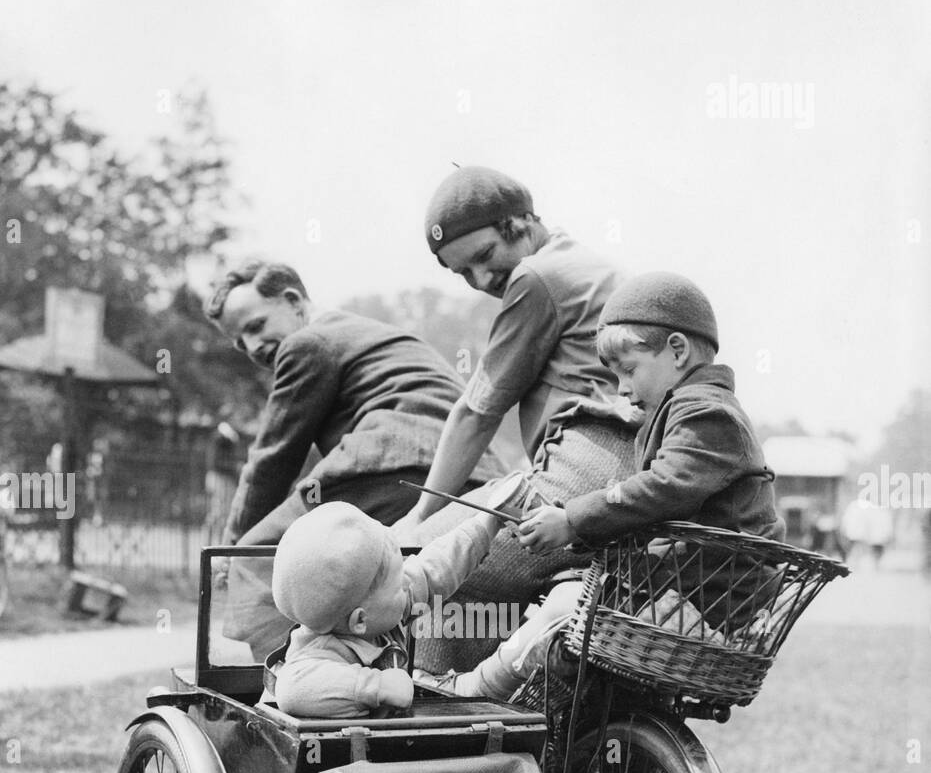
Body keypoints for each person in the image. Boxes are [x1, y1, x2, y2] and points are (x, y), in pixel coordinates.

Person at [203, 259, 504, 654]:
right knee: (367, 574)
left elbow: (272, 460)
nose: (253, 347)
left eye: (256, 326)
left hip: (390, 461)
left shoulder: (307, 342)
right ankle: (356, 669)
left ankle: (284, 688)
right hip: (468, 477)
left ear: (294, 301)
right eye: (240, 342)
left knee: (259, 559)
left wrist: (231, 548)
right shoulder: (364, 333)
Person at [519, 273, 786, 571]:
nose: (620, 388)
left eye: (629, 370)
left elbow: (663, 490)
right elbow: (650, 512)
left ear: (678, 350)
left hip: (717, 594)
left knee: (565, 607)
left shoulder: (707, 413)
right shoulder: (676, 413)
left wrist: (573, 519)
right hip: (688, 578)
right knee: (566, 597)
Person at [404, 165, 624, 527]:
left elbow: (476, 415)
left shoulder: (536, 276)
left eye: (485, 254)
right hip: (623, 474)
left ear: (521, 221)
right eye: (464, 273)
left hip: (587, 471)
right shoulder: (578, 261)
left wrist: (420, 518)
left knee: (416, 558)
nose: (482, 279)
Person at [265, 483, 524, 718]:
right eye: (399, 586)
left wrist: (487, 523)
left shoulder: (383, 609)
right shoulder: (318, 653)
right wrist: (377, 687)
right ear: (360, 621)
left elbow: (433, 570)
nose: (407, 587)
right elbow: (292, 688)